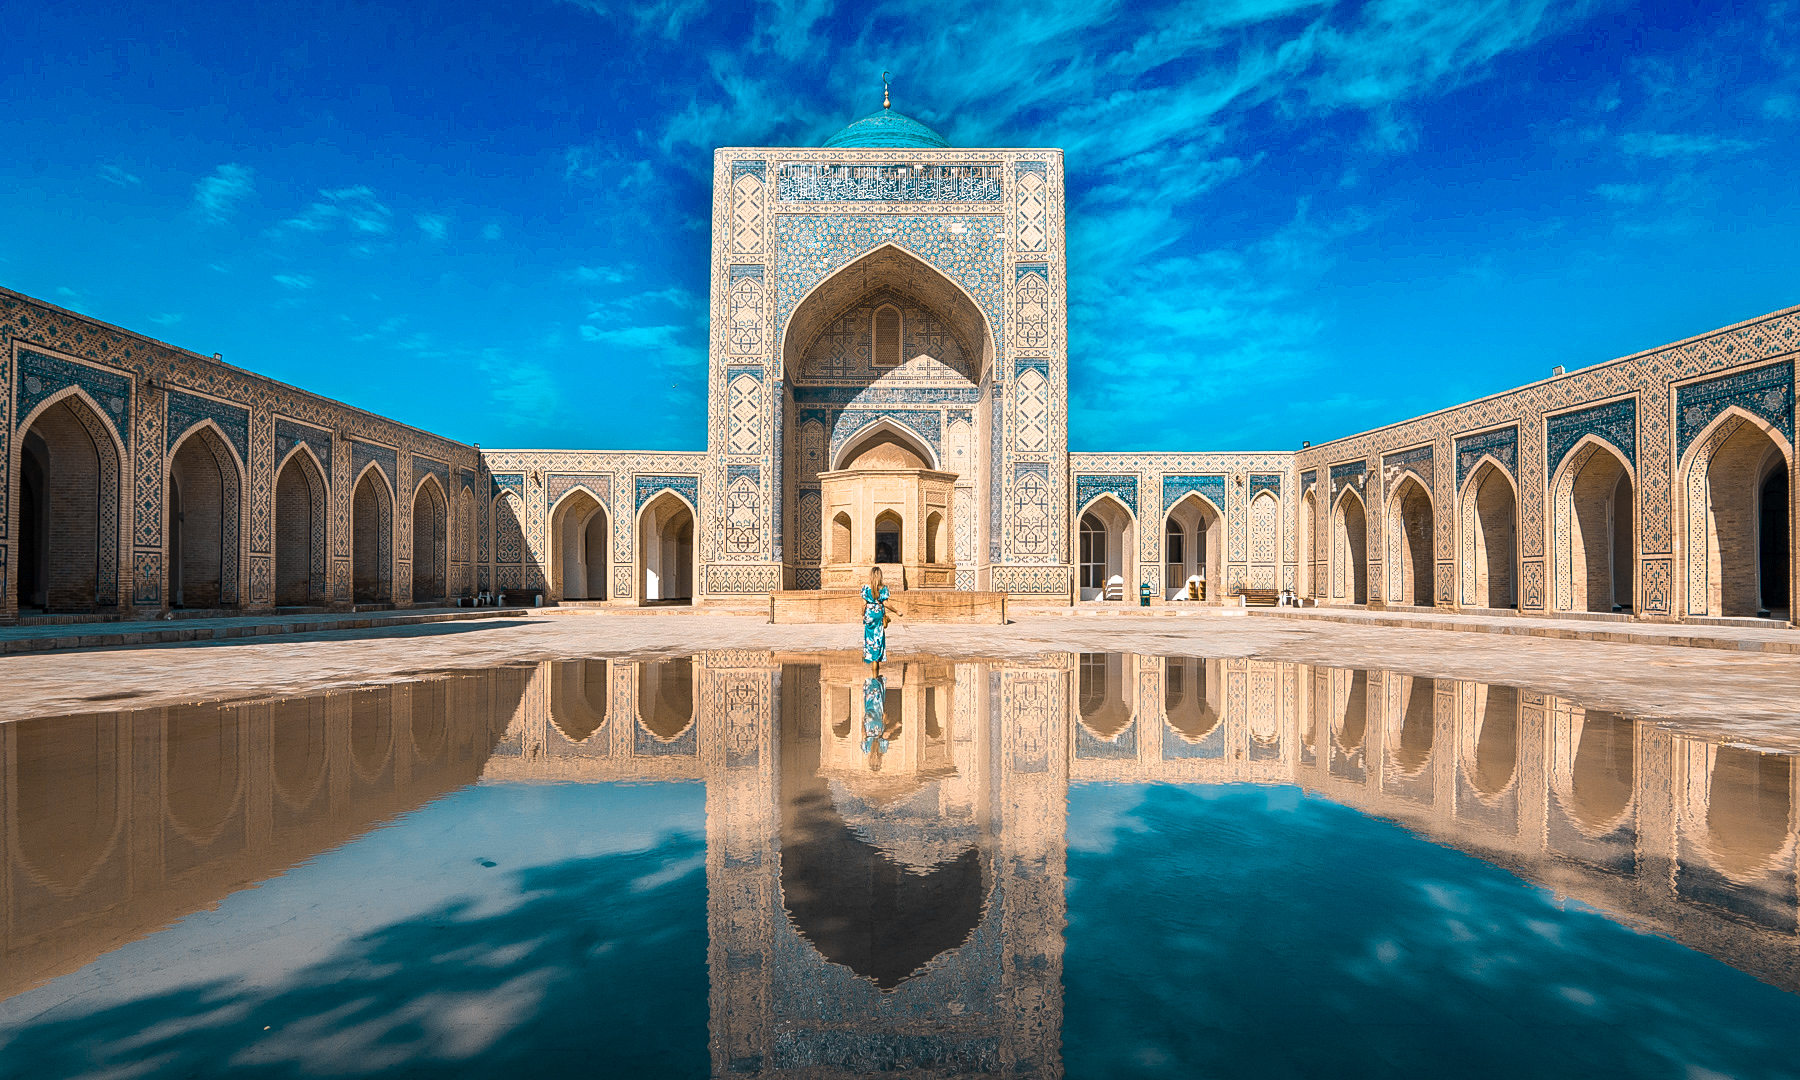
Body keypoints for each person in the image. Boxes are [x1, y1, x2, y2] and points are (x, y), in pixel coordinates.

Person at [862, 566, 891, 673]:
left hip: (869, 614)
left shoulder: (865, 588)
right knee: (878, 637)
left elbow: (863, 605)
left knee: (869, 637)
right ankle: (876, 661)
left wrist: (862, 614)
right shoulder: (883, 588)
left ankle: (871, 659)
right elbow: (886, 603)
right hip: (878, 613)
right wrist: (896, 611)